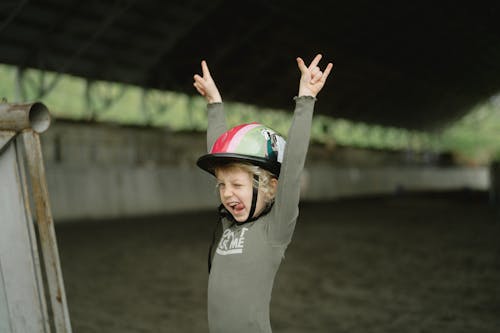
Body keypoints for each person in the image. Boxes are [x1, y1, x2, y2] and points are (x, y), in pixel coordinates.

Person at [193, 54, 333, 333]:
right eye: (222, 186)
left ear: (268, 186)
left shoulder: (275, 230)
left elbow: (291, 170)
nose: (227, 194)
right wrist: (214, 105)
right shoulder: (229, 222)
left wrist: (305, 99)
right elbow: (221, 158)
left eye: (237, 186)